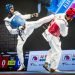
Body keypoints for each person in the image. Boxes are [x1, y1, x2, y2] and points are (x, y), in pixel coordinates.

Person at [4, 3, 40, 71]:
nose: (13, 9)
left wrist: (32, 15)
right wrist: (20, 29)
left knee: (37, 22)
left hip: (27, 27)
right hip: (21, 34)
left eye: (13, 8)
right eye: (11, 8)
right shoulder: (6, 21)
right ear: (8, 10)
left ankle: (51, 18)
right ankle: (22, 65)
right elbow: (11, 31)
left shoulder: (16, 13)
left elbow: (23, 17)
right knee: (18, 48)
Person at [41, 7, 75, 72]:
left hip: (48, 32)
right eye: (72, 17)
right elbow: (64, 34)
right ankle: (52, 68)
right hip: (52, 36)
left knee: (52, 50)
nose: (72, 18)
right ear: (69, 16)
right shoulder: (63, 23)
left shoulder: (61, 14)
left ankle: (47, 63)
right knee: (58, 52)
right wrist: (66, 26)